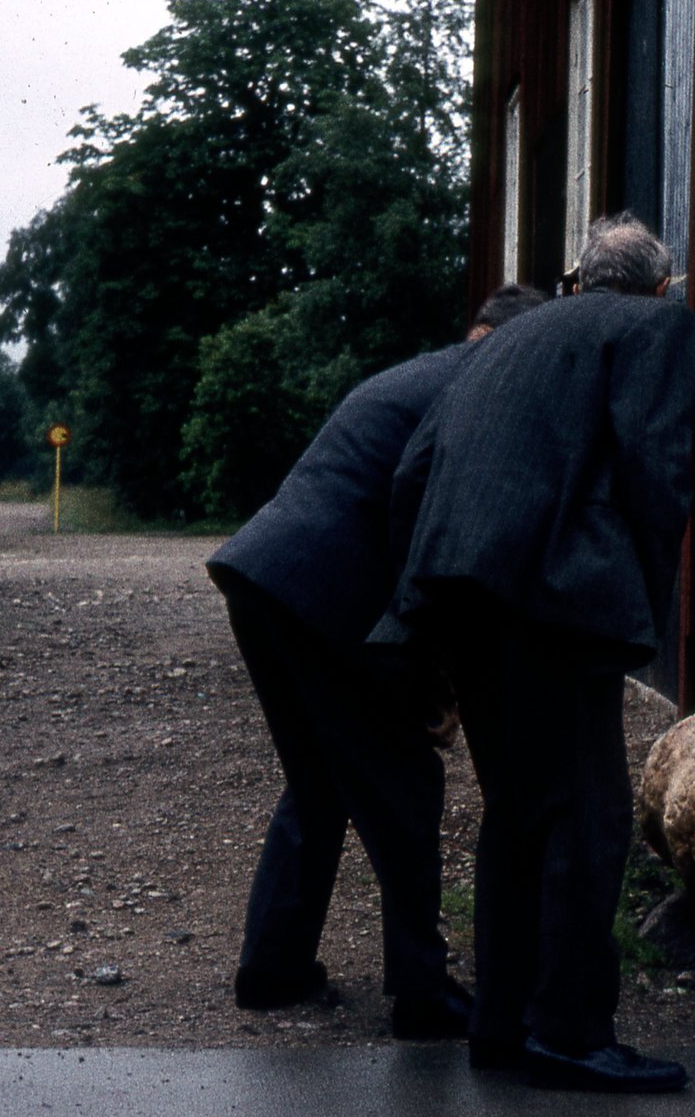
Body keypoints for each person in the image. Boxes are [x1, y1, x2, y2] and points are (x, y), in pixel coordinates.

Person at [376, 211, 695, 1092]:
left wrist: (422, 605)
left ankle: (502, 1024)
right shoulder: (656, 324)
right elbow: (654, 471)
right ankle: (569, 1031)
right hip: (556, 604)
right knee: (590, 820)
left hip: (463, 600)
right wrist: (643, 607)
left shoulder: (500, 344)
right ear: (661, 286)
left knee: (517, 816)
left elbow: (413, 470)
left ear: (579, 279)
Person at [206, 284, 547, 1038]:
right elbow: (416, 515)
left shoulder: (414, 373)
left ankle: (272, 969)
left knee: (317, 781)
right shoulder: (475, 386)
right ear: (504, 342)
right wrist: (420, 661)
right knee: (406, 784)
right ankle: (422, 993)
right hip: (325, 593)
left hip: (260, 573)